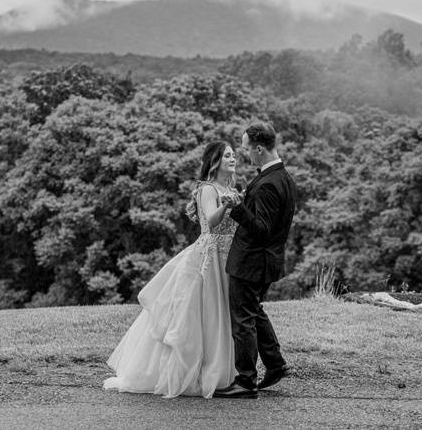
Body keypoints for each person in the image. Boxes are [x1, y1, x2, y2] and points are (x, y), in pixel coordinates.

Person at [103, 141, 241, 398]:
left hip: (227, 260)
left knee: (221, 314)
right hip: (208, 258)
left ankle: (221, 370)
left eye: (234, 155)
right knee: (204, 313)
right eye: (227, 155)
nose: (233, 159)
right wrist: (228, 205)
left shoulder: (230, 188)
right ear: (215, 161)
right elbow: (211, 222)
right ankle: (196, 372)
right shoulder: (208, 189)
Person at [213, 122, 298, 399]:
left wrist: (238, 208)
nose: (245, 153)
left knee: (243, 320)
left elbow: (261, 229)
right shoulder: (283, 177)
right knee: (254, 311)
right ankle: (275, 364)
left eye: (247, 148)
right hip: (265, 260)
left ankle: (245, 381)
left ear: (259, 148)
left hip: (252, 261)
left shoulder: (269, 184)